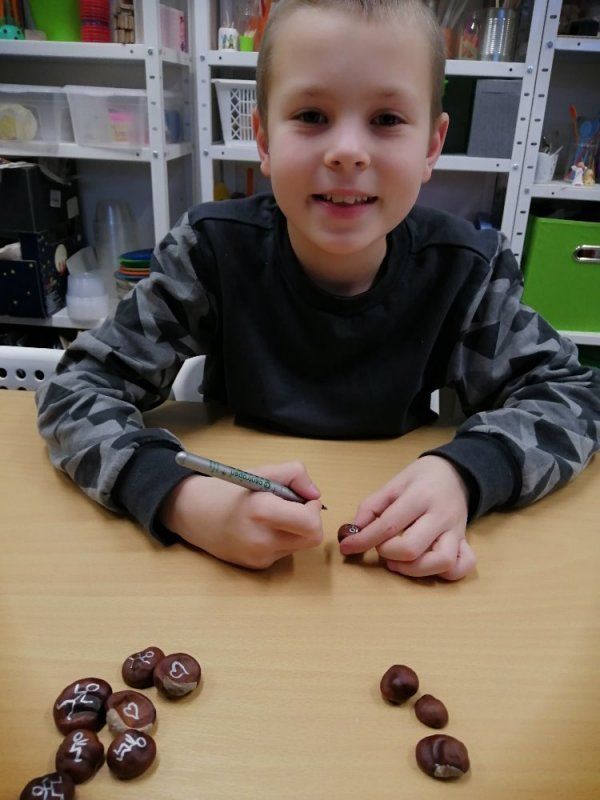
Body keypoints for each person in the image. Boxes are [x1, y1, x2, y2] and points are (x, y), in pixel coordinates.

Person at [36, 0, 600, 581]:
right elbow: (76, 388)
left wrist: (465, 473)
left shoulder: (467, 272)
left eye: (386, 119)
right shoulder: (209, 254)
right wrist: (182, 499)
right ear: (263, 139)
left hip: (389, 564)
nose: (347, 151)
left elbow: (573, 395)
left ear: (432, 146)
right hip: (227, 570)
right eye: (311, 115)